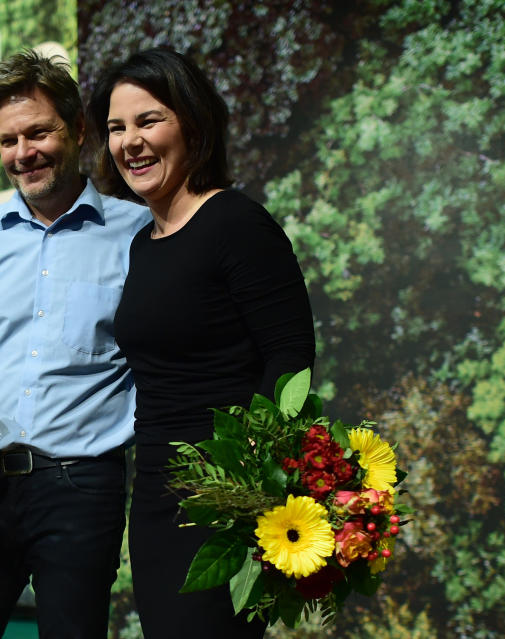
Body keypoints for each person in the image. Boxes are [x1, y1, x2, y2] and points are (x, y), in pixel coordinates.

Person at [88, 48, 316, 637]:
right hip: (159, 497)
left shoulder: (236, 223)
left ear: (192, 122)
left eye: (148, 121)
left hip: (227, 499)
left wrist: (247, 485)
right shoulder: (144, 242)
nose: (129, 141)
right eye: (116, 128)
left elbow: (290, 360)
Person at [0, 49, 149, 639]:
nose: (22, 153)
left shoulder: (137, 233)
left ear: (77, 129)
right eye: (7, 141)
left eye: (38, 133)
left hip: (82, 488)